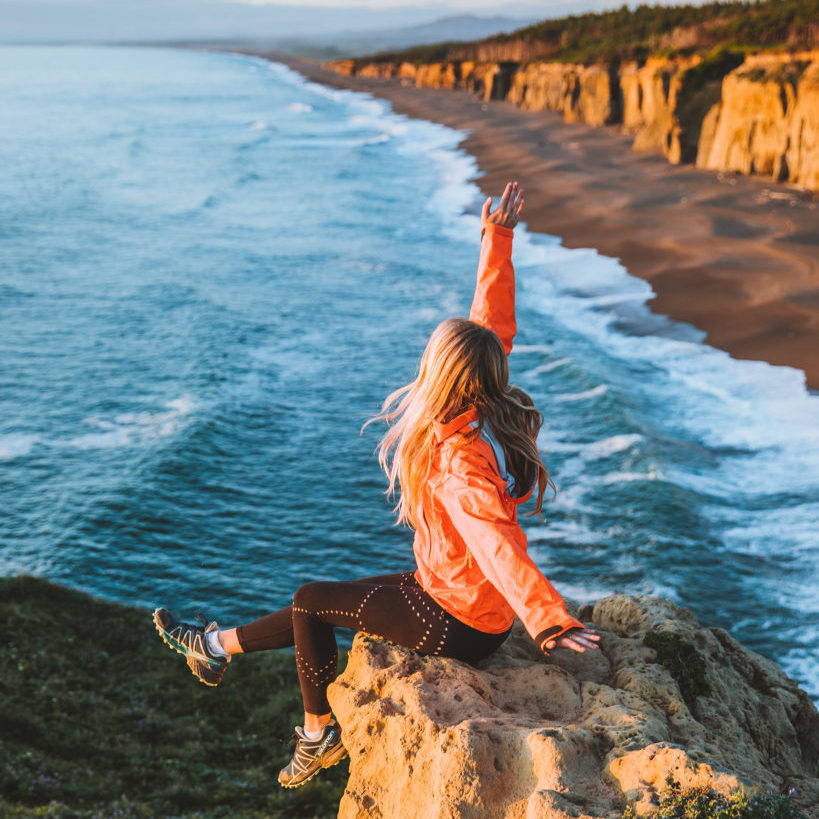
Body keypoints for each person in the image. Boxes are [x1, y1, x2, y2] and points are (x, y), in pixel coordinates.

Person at [152, 180, 600, 789]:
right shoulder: (471, 404)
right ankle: (209, 647)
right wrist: (497, 238)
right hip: (453, 596)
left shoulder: (460, 461)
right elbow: (490, 327)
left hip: (460, 624)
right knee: (315, 606)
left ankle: (316, 735)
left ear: (437, 373)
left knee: (312, 598)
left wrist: (550, 621)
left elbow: (500, 547)